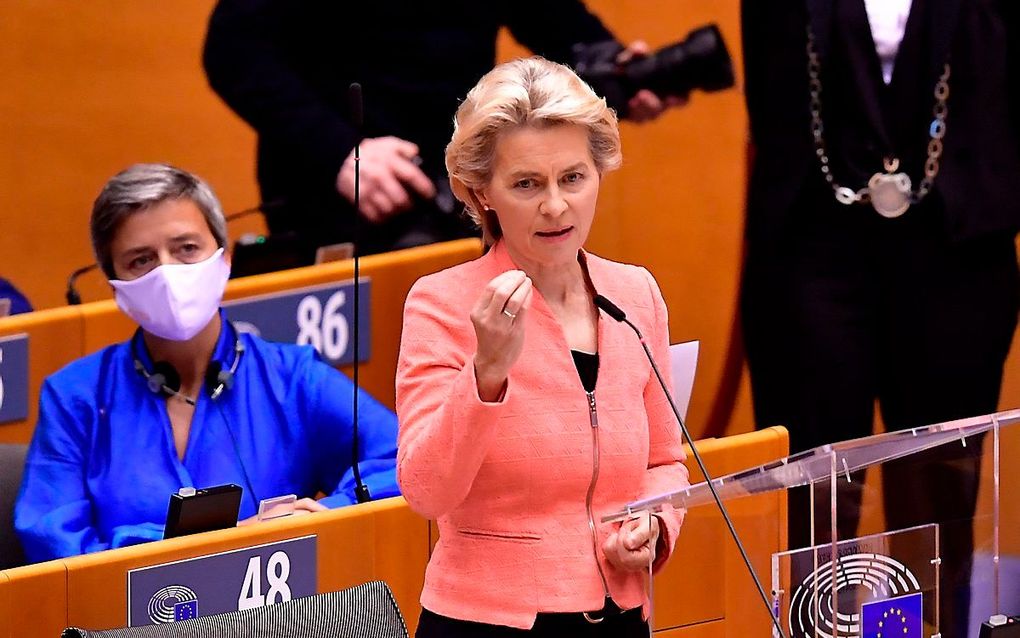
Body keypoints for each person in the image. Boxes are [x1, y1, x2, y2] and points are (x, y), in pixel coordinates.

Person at [740, 1, 1019, 635]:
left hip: (959, 241)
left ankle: (926, 630)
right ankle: (817, 631)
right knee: (814, 484)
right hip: (812, 240)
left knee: (942, 484)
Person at [395, 57, 689, 636]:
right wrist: (485, 376)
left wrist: (653, 524)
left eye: (573, 178)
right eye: (527, 184)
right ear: (482, 194)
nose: (555, 206)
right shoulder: (441, 304)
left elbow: (663, 462)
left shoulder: (636, 294)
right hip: (487, 620)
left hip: (621, 613)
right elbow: (427, 491)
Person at [15, 163, 400, 563]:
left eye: (186, 248)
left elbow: (403, 466)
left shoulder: (294, 377)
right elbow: (53, 545)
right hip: (125, 621)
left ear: (224, 258)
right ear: (116, 286)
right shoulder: (73, 397)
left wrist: (312, 518)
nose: (167, 272)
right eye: (141, 260)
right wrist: (212, 541)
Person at [202, 1, 682, 262]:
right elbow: (233, 51)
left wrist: (614, 67)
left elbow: (554, 19)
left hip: (461, 188)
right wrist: (337, 152)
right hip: (339, 193)